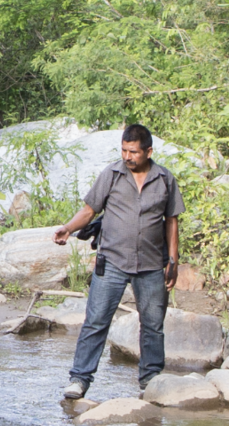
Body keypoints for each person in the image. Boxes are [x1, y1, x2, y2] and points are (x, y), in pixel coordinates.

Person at [53, 125, 182, 402]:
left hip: (150, 264)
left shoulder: (165, 180)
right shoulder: (111, 175)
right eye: (124, 150)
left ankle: (151, 380)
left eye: (133, 151)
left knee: (152, 324)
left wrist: (173, 260)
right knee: (96, 321)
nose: (127, 156)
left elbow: (171, 221)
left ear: (148, 151)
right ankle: (79, 379)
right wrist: (68, 228)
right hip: (111, 261)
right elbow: (90, 210)